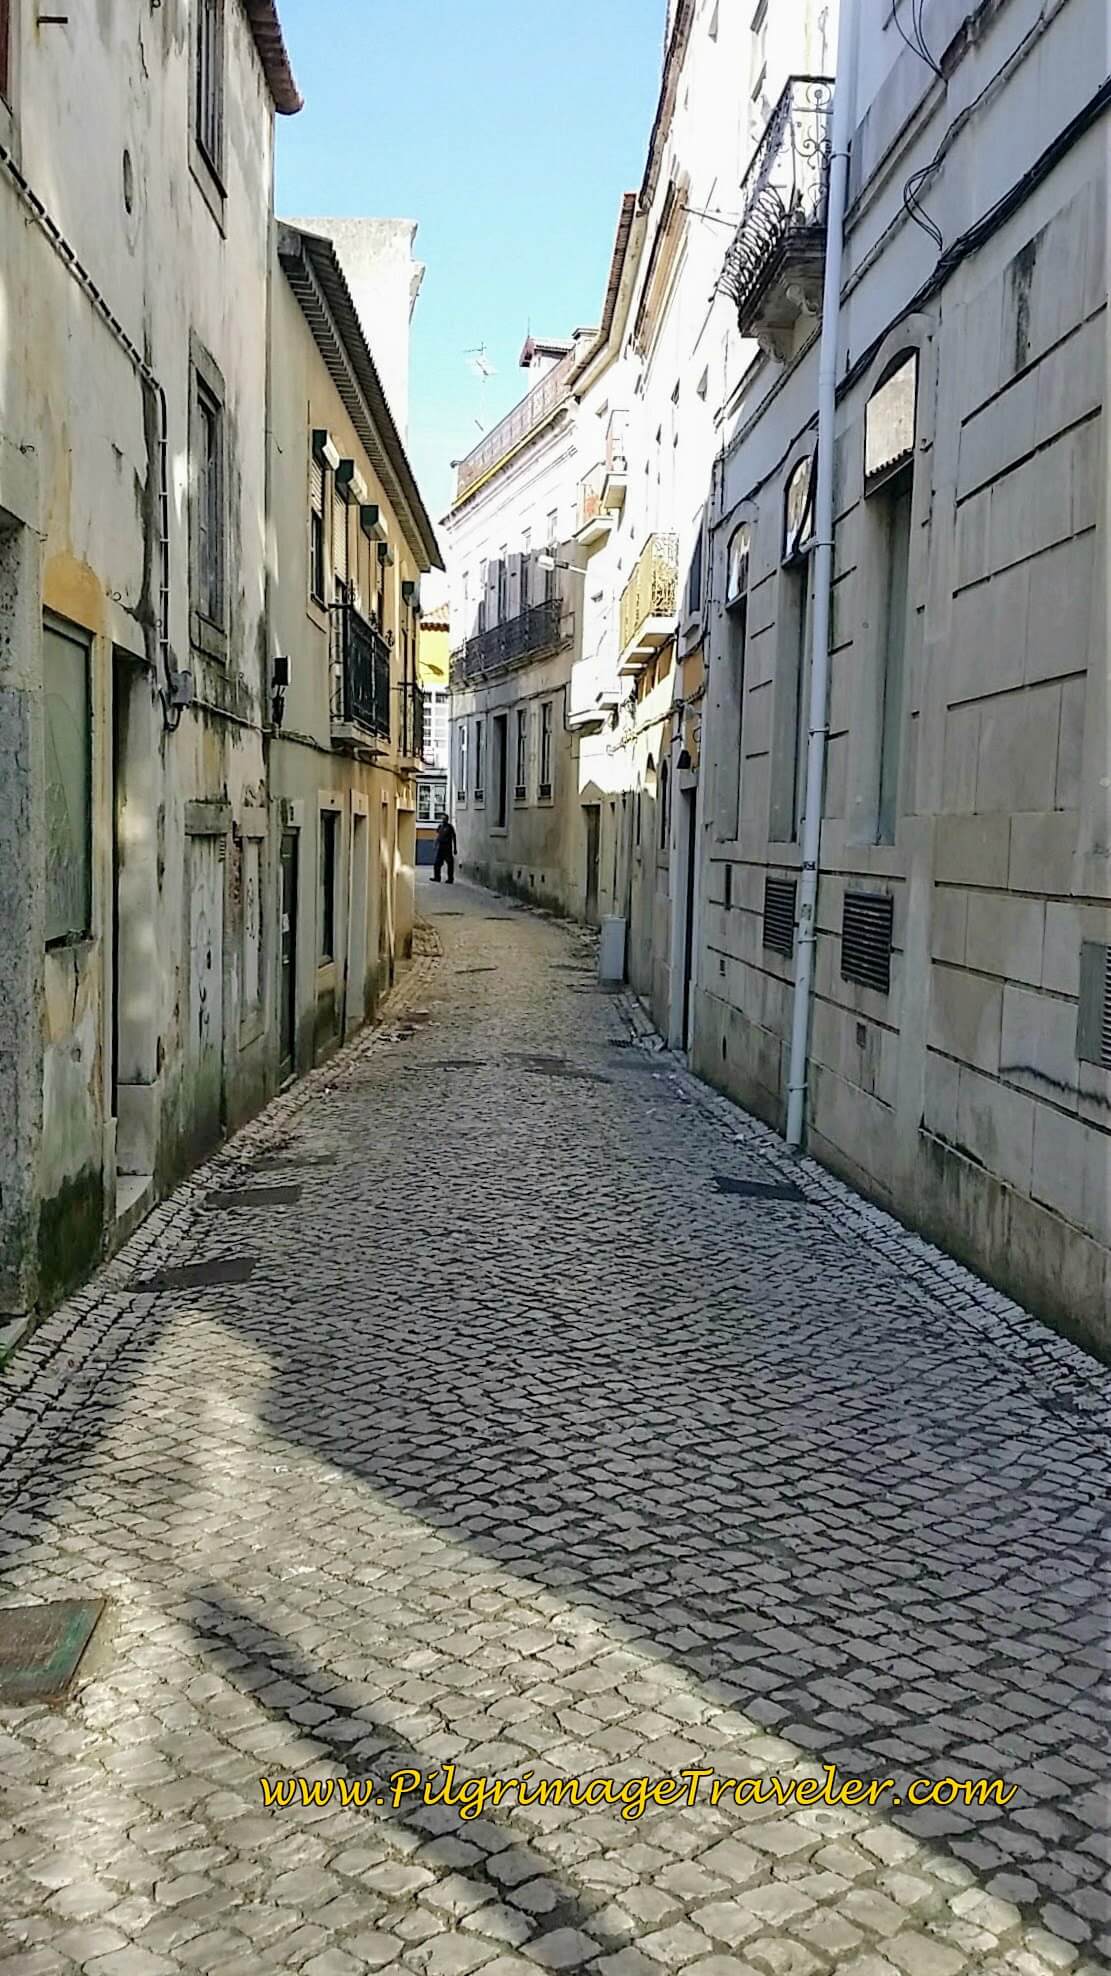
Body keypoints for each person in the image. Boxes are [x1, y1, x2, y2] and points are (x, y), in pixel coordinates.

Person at [432, 814, 457, 884]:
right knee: (437, 863)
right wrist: (435, 844)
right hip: (441, 847)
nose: (443, 820)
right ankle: (437, 877)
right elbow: (438, 836)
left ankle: (450, 879)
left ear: (447, 819)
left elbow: (454, 837)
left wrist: (455, 848)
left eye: (444, 819)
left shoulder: (450, 827)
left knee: (450, 864)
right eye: (442, 819)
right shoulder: (440, 826)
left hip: (448, 847)